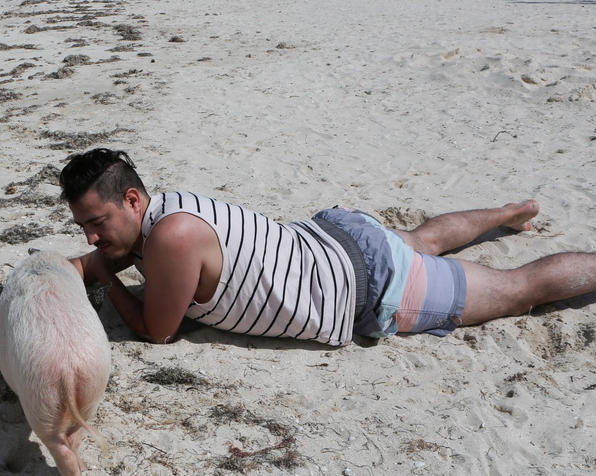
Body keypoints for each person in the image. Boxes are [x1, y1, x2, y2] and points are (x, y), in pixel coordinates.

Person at [61, 148, 596, 346]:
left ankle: (514, 224)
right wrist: (102, 256)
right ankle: (508, 213)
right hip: (337, 235)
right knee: (422, 239)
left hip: (369, 287)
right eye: (83, 227)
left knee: (518, 291)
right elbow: (107, 254)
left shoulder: (171, 239)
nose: (91, 236)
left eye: (97, 222)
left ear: (133, 200)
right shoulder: (166, 209)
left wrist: (105, 274)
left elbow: (159, 331)